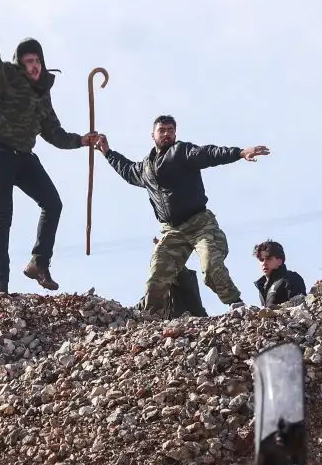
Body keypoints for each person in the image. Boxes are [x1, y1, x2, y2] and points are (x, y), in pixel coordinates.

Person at [0, 2, 98, 294]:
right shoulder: (6, 78)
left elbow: (53, 132)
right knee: (2, 216)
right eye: (28, 61)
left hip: (24, 156)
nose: (33, 66)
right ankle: (1, 283)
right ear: (20, 64)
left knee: (52, 203)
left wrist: (81, 140)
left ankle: (38, 263)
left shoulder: (43, 92)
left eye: (37, 61)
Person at [94, 116, 269, 315]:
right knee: (157, 277)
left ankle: (236, 304)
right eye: (162, 130)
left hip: (200, 225)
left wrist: (239, 153)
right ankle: (148, 316)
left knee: (211, 267)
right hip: (173, 231)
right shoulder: (145, 169)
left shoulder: (182, 152)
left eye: (171, 130)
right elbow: (127, 170)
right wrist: (107, 152)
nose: (167, 134)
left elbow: (209, 154)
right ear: (153, 135)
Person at [133, 238, 208, 319]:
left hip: (192, 320)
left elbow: (180, 271)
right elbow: (140, 306)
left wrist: (165, 253)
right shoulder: (155, 293)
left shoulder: (184, 285)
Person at [253, 240, 307, 308]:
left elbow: (299, 308)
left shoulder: (291, 278)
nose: (264, 263)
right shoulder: (262, 285)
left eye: (268, 259)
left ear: (280, 261)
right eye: (261, 260)